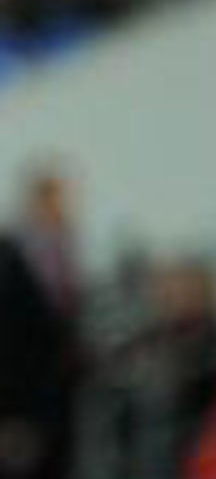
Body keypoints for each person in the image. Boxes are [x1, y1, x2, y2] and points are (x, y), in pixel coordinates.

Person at [0, 166, 83, 479]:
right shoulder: (8, 257)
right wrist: (9, 414)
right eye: (53, 199)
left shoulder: (69, 251)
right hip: (18, 413)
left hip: (60, 408)